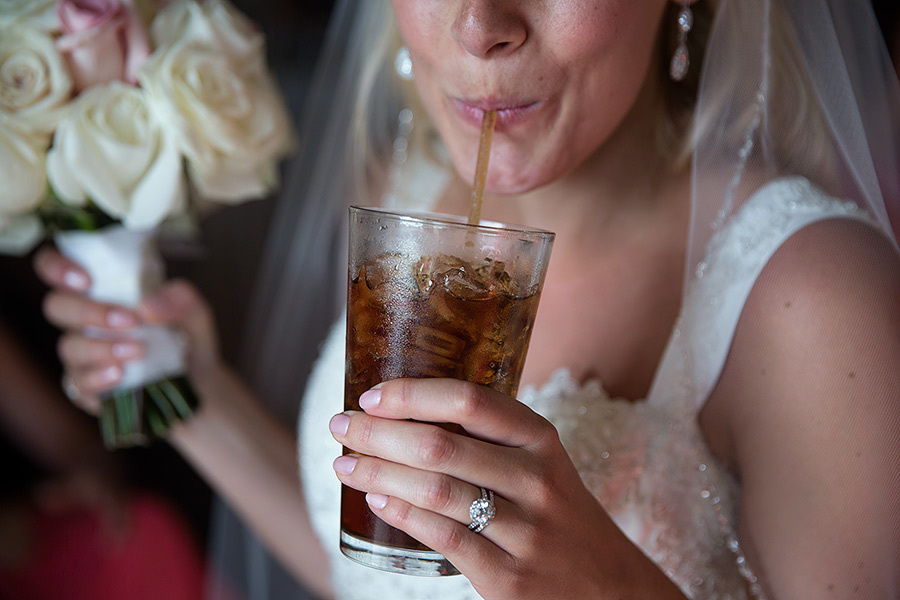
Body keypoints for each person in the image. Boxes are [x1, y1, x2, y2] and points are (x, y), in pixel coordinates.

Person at [31, 0, 900, 598]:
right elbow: (375, 576)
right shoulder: (407, 198)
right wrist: (199, 396)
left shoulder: (811, 299)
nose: (480, 25)